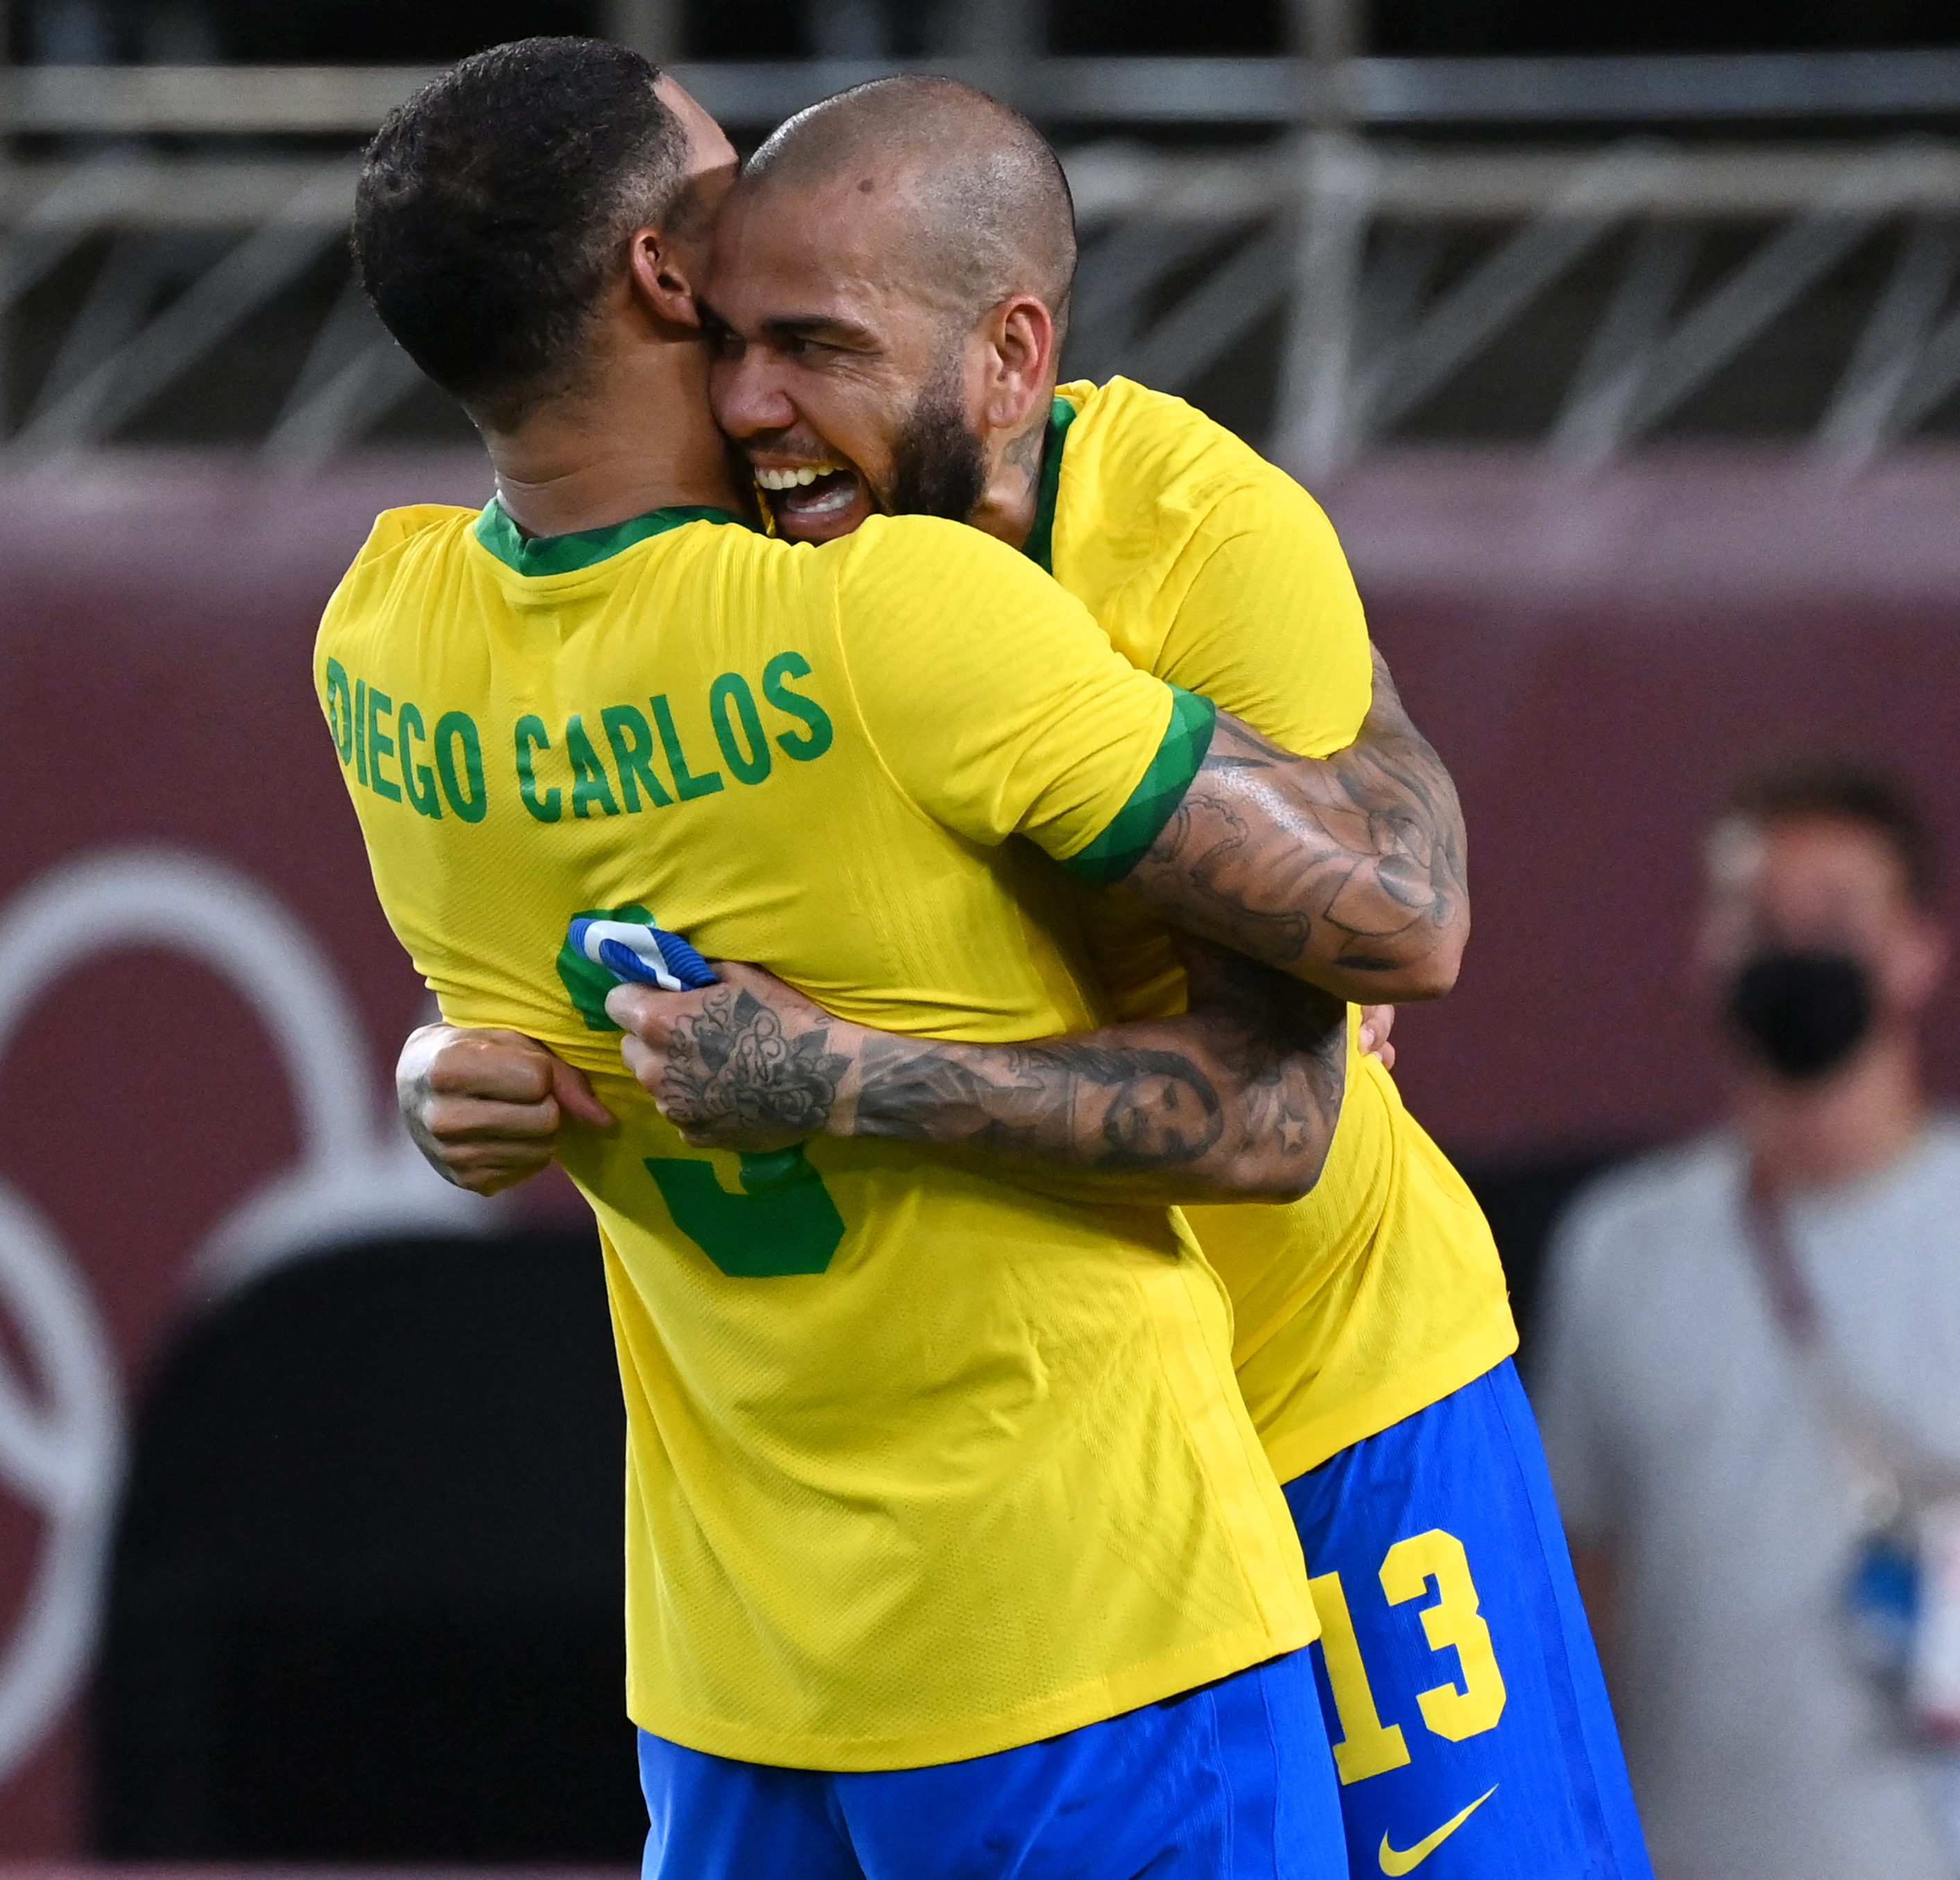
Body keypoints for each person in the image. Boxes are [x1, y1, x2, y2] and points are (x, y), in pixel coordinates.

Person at [403, 75, 1653, 1880]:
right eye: (731, 345)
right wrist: (452, 1059)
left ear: (1007, 355)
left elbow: (1319, 1052)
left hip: (1333, 1406)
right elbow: (579, 883)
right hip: (1034, 1539)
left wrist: (840, 1074)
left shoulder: (1189, 530)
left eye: (816, 348)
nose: (755, 409)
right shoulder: (752, 558)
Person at [1538, 760, 1959, 1880]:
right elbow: (1578, 1591)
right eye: (1755, 914)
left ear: (1919, 948)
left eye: (1833, 913)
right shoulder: (1617, 1249)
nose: (1792, 943)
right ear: (1705, 950)